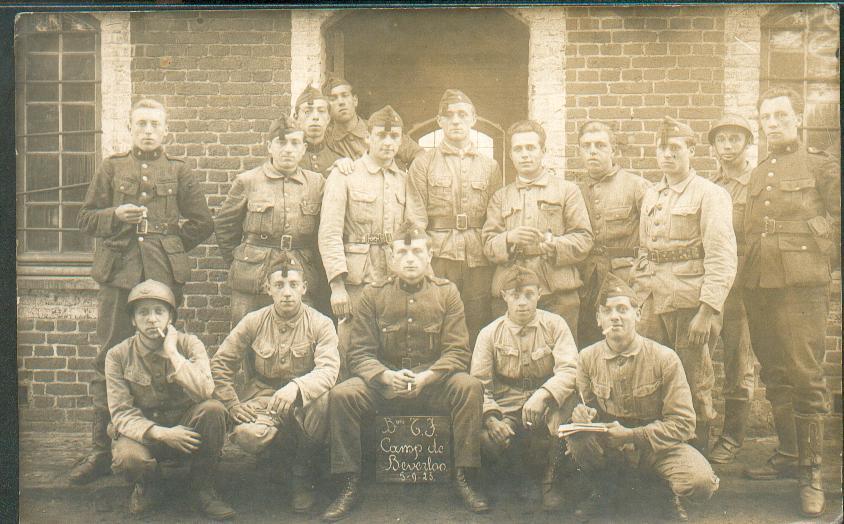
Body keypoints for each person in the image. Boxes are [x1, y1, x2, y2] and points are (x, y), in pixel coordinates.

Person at [73, 98, 214, 484]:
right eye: (141, 124)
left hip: (163, 276)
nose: (148, 130)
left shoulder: (179, 170)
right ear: (130, 128)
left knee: (165, 352)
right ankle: (101, 451)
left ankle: (164, 444)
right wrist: (115, 216)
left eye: (155, 124)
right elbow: (84, 218)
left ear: (165, 130)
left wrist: (168, 241)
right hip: (119, 273)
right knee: (107, 357)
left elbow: (203, 223)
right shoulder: (112, 167)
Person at [323, 222, 488, 521]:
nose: (410, 258)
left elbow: (457, 351)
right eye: (402, 251)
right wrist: (385, 376)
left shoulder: (447, 293)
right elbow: (359, 353)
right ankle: (348, 481)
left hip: (432, 386)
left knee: (469, 386)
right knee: (342, 394)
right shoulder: (373, 295)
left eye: (417, 251)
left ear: (429, 256)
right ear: (392, 258)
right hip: (385, 387)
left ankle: (465, 477)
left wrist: (428, 377)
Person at [741, 86, 839, 517]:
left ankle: (812, 472)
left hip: (802, 286)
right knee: (775, 370)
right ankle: (788, 452)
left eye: (781, 115)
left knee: (806, 373)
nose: (774, 123)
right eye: (766, 118)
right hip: (761, 283)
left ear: (797, 119)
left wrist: (821, 258)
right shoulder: (760, 172)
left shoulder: (821, 165)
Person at [566, 273, 719, 522]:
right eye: (607, 310)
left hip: (656, 446)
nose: (615, 316)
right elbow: (588, 405)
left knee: (700, 483)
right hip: (613, 444)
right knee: (578, 439)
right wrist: (582, 415)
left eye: (623, 309)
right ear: (598, 319)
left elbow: (683, 424)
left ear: (637, 314)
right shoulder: (587, 358)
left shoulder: (664, 358)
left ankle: (666, 492)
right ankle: (603, 490)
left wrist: (633, 435)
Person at [633, 116, 737, 455]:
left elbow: (721, 257)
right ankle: (659, 459)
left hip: (690, 304)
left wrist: (707, 311)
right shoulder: (652, 194)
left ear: (692, 150)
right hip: (652, 301)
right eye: (662, 148)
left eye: (675, 148)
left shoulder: (711, 194)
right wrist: (638, 297)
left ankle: (697, 458)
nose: (667, 155)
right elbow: (645, 250)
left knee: (694, 382)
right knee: (651, 378)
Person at [211, 256, 340, 513]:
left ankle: (301, 476)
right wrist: (232, 403)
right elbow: (220, 364)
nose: (287, 293)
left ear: (304, 287)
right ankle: (275, 463)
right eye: (279, 285)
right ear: (267, 289)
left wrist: (296, 387)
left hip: (304, 399)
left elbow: (328, 370)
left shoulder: (321, 323)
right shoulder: (253, 321)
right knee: (248, 435)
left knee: (325, 401)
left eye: (293, 284)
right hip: (263, 397)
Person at [104, 280, 234, 519]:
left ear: (170, 317)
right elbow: (121, 413)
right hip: (145, 436)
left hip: (187, 433)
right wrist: (162, 433)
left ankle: (203, 488)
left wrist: (173, 353)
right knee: (128, 458)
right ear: (132, 319)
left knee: (214, 409)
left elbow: (205, 391)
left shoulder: (189, 344)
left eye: (159, 311)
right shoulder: (117, 355)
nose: (151, 319)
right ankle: (150, 485)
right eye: (143, 312)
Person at [470, 265, 578, 511]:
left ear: (540, 294)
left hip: (545, 401)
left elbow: (570, 370)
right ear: (504, 296)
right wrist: (491, 418)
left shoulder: (555, 325)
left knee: (568, 406)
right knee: (488, 440)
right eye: (515, 295)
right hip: (506, 402)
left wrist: (544, 394)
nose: (522, 302)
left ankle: (550, 480)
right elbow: (479, 384)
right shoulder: (489, 334)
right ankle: (521, 479)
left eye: (529, 294)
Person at [318, 105, 409, 378]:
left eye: (394, 136)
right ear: (368, 137)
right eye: (381, 135)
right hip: (356, 279)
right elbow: (330, 232)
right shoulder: (345, 175)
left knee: (389, 346)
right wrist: (337, 285)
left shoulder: (404, 180)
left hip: (393, 276)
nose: (388, 142)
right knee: (351, 347)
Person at [407, 89, 502, 345]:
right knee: (436, 319)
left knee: (478, 321)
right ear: (440, 121)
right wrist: (422, 259)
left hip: (478, 257)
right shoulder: (423, 164)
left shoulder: (490, 166)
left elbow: (495, 216)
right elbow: (415, 216)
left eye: (462, 115)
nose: (456, 121)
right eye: (449, 115)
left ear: (473, 119)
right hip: (439, 256)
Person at [483, 120, 593, 342]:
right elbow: (487, 243)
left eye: (531, 148)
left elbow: (584, 238)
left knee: (561, 357)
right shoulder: (501, 197)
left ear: (543, 151)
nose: (525, 155)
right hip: (512, 292)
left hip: (556, 290)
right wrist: (509, 238)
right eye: (518, 149)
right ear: (511, 155)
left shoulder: (567, 191)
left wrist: (556, 246)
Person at [215, 116, 326, 325]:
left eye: (294, 143)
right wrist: (242, 260)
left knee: (300, 335)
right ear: (269, 147)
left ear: (303, 149)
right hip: (252, 276)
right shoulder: (248, 181)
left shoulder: (316, 183)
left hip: (299, 273)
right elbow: (225, 226)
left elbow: (325, 230)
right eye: (281, 142)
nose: (288, 149)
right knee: (245, 337)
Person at [705, 113, 757, 464]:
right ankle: (699, 432)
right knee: (702, 357)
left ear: (747, 144)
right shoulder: (709, 185)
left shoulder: (757, 184)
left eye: (735, 139)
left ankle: (732, 437)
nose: (727, 146)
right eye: (721, 140)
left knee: (739, 362)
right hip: (713, 283)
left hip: (744, 284)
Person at [575, 121, 650, 347]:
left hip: (625, 275)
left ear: (613, 150)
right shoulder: (575, 191)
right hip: (588, 278)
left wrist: (642, 281)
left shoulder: (637, 186)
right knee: (590, 338)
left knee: (626, 339)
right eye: (586, 146)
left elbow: (653, 236)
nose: (593, 151)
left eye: (600, 145)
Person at [321, 75, 423, 170]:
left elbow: (420, 155)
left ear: (355, 100)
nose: (341, 102)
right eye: (333, 98)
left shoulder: (378, 128)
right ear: (327, 106)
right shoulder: (326, 138)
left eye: (345, 95)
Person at [294, 85, 344, 177]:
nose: (315, 117)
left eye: (321, 111)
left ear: (328, 118)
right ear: (296, 118)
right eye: (307, 112)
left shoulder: (338, 160)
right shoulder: (287, 160)